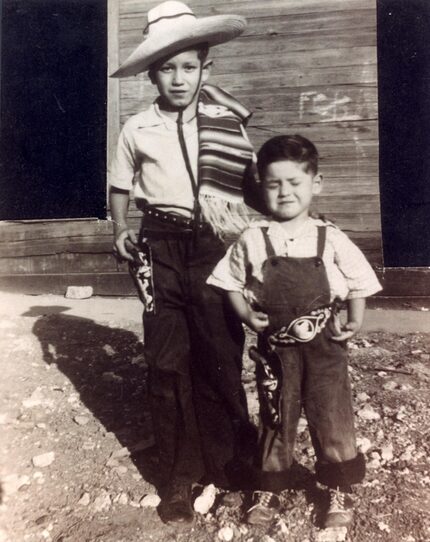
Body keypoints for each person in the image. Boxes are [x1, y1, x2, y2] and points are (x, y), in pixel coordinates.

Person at [108, 0, 260, 526]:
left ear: (205, 67)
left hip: (214, 247)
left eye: (189, 66)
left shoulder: (224, 124)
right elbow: (120, 187)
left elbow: (251, 189)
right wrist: (122, 229)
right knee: (167, 359)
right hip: (159, 246)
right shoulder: (137, 129)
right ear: (152, 74)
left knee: (220, 350)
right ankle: (178, 474)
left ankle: (232, 461)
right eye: (167, 68)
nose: (178, 78)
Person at [207, 134, 382, 528]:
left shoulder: (329, 237)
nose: (284, 193)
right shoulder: (253, 238)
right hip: (276, 351)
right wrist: (248, 317)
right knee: (275, 416)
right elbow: (229, 283)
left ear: (314, 184)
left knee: (332, 415)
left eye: (294, 183)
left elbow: (359, 281)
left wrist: (354, 320)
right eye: (274, 184)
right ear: (261, 187)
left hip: (325, 348)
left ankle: (338, 486)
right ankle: (269, 484)